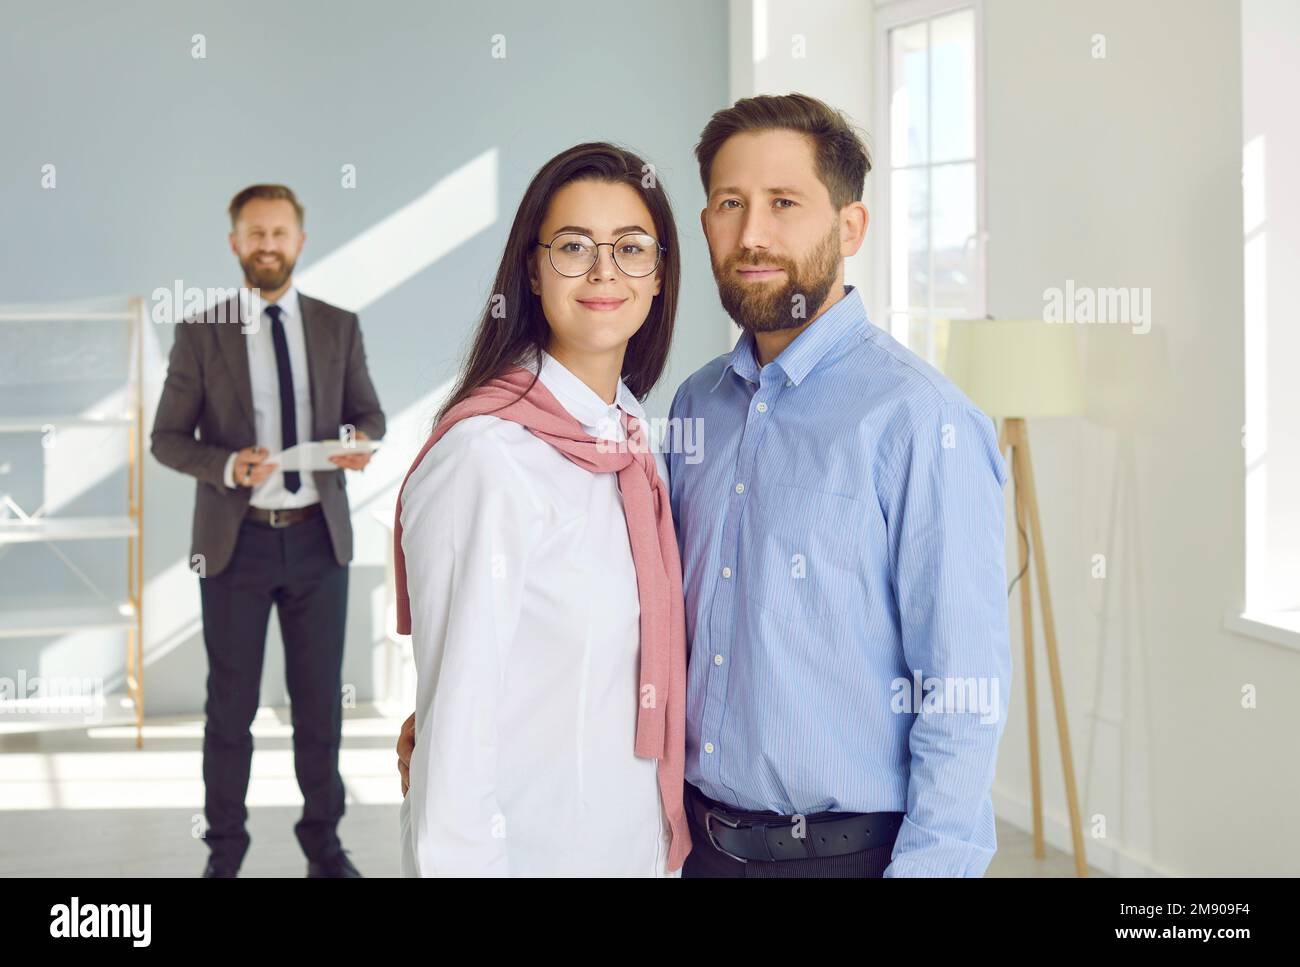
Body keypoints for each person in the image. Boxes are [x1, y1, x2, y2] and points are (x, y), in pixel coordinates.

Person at [669, 93, 1011, 877]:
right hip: (696, 850)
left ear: (849, 228)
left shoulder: (923, 420)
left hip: (847, 858)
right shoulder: (695, 407)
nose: (752, 233)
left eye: (784, 203)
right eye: (731, 203)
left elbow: (960, 692)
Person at [392, 143, 691, 876]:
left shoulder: (631, 439)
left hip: (634, 850)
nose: (603, 271)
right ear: (531, 268)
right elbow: (455, 740)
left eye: (629, 248)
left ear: (658, 274)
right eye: (573, 246)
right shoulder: (486, 459)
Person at [151, 184, 386, 877]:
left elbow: (369, 416)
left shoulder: (338, 325)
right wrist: (226, 464)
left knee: (320, 706)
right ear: (234, 243)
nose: (267, 245)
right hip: (237, 542)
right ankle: (225, 852)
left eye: (279, 232)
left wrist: (353, 438)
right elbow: (167, 439)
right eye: (254, 233)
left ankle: (324, 845)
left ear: (299, 241)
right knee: (231, 707)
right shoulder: (202, 332)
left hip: (320, 538)